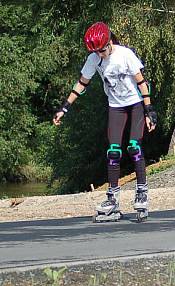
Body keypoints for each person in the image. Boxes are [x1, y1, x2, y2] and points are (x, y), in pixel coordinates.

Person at [52, 22, 157, 221]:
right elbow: (82, 83)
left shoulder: (125, 54)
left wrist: (149, 110)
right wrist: (64, 108)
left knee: (134, 147)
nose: (100, 54)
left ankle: (142, 193)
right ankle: (113, 199)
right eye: (96, 51)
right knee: (113, 151)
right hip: (115, 106)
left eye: (102, 50)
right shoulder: (93, 58)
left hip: (135, 104)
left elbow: (142, 83)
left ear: (109, 43)